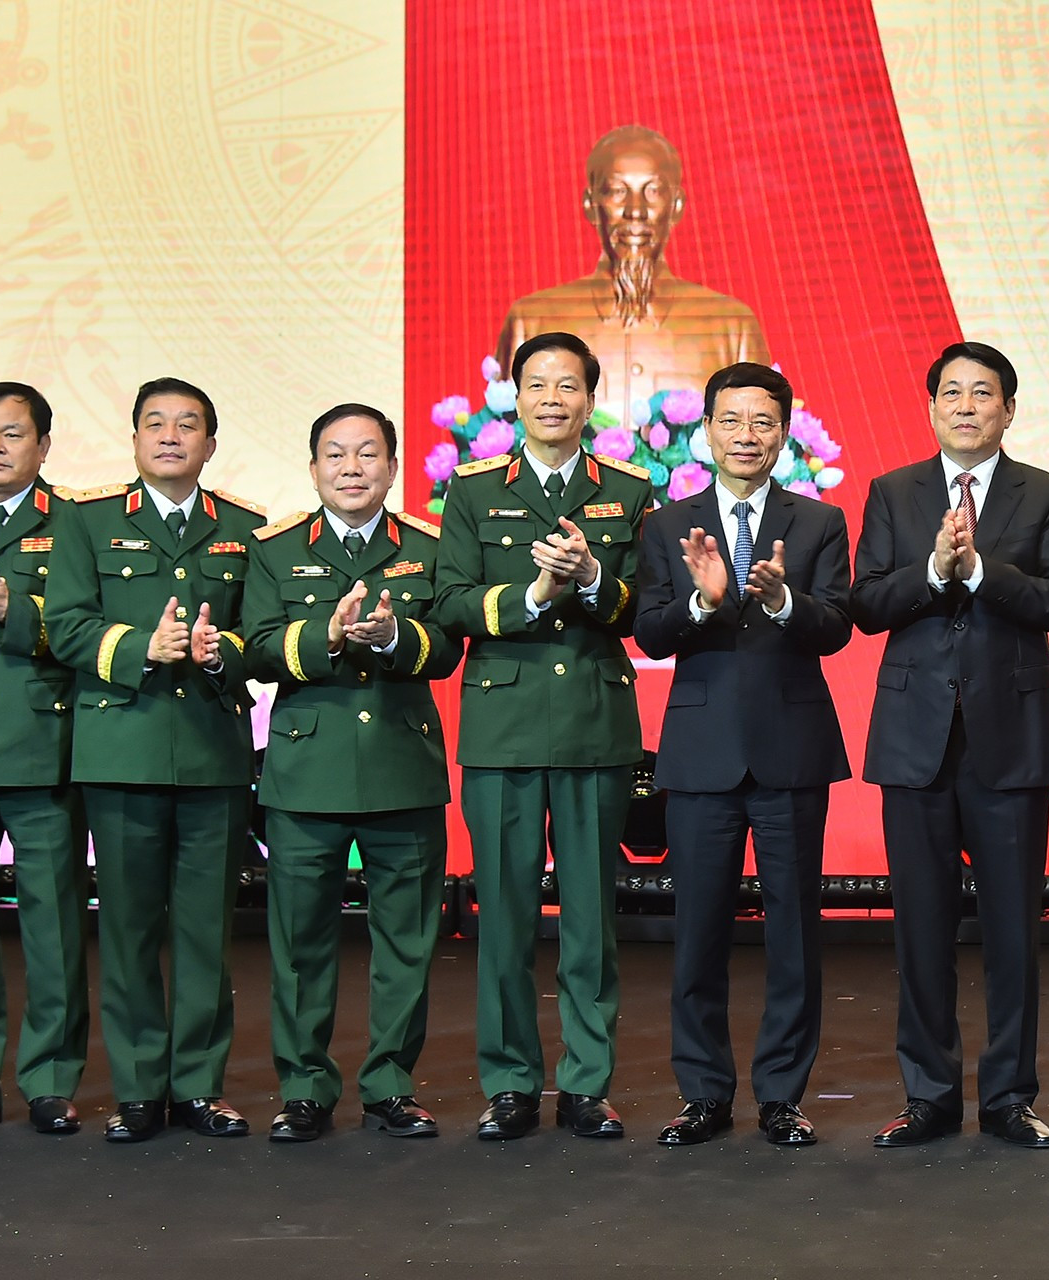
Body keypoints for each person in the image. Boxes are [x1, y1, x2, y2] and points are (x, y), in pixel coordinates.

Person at [851, 340, 1049, 1149]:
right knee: (919, 925)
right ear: (931, 408)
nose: (966, 405)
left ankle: (1010, 1096)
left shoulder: (1046, 494)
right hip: (915, 737)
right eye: (951, 392)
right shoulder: (893, 491)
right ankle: (930, 1095)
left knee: (1015, 928)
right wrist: (934, 569)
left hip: (1010, 740)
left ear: (1008, 410)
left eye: (983, 393)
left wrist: (982, 572)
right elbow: (869, 605)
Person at [434, 331, 652, 1141]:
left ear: (592, 401)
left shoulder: (629, 492)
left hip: (596, 727)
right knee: (507, 921)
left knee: (591, 919)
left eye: (569, 385)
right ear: (514, 398)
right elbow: (451, 602)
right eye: (537, 384)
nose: (553, 398)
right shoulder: (471, 490)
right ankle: (511, 1082)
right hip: (503, 727)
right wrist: (530, 593)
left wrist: (595, 580)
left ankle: (587, 1083)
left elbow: (649, 610)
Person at [635, 362, 853, 1148]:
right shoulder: (668, 525)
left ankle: (782, 1095)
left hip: (791, 749)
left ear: (784, 432)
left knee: (795, 931)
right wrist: (704, 601)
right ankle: (702, 1092)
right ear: (707, 431)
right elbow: (648, 631)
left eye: (762, 422)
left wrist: (781, 599)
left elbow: (837, 628)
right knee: (697, 930)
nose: (747, 436)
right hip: (700, 754)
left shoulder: (818, 522)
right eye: (731, 421)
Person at [46, 377, 266, 1142]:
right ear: (134, 439)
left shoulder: (246, 527)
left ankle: (200, 1086)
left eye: (188, 425)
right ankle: (139, 1089)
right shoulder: (86, 522)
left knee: (208, 931)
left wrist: (214, 653)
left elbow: (260, 640)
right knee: (131, 928)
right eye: (154, 424)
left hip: (212, 753)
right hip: (121, 749)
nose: (170, 436)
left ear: (210, 443)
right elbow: (65, 627)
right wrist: (144, 647)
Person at [244, 404, 460, 1142]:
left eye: (368, 455)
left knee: (407, 940)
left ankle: (391, 1085)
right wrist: (325, 635)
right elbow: (258, 648)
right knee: (301, 942)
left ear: (392, 469)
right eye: (335, 455)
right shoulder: (272, 550)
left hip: (403, 766)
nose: (351, 468)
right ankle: (303, 1087)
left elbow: (449, 647)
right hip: (306, 770)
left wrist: (398, 634)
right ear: (313, 470)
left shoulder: (427, 545)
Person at [0, 382, 88, 1136]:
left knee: (56, 923)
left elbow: (84, 630)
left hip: (46, 746)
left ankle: (49, 1079)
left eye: (11, 435)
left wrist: (15, 615)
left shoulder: (74, 523)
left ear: (43, 444)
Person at [494, 125, 770, 410]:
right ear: (591, 204)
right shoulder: (532, 321)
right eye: (616, 191)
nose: (635, 211)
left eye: (653, 191)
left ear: (676, 206)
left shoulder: (732, 328)